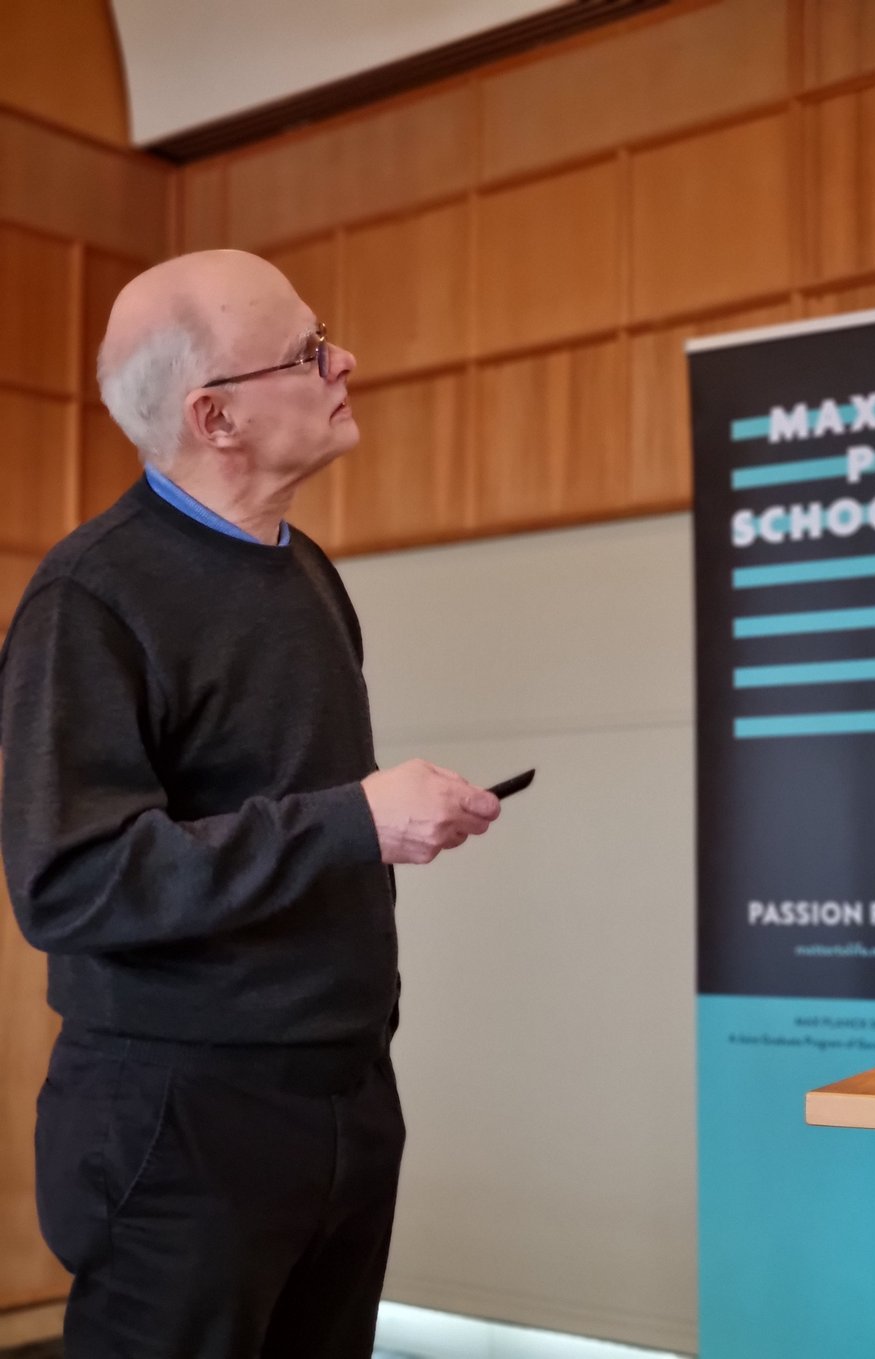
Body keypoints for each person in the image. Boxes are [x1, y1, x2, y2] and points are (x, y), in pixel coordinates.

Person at [0, 249, 502, 1359]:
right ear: (214, 417)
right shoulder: (89, 597)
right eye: (311, 352)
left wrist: (381, 823)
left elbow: (292, 825)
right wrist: (354, 822)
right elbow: (68, 881)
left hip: (343, 1095)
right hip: (181, 1125)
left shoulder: (308, 572)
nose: (346, 362)